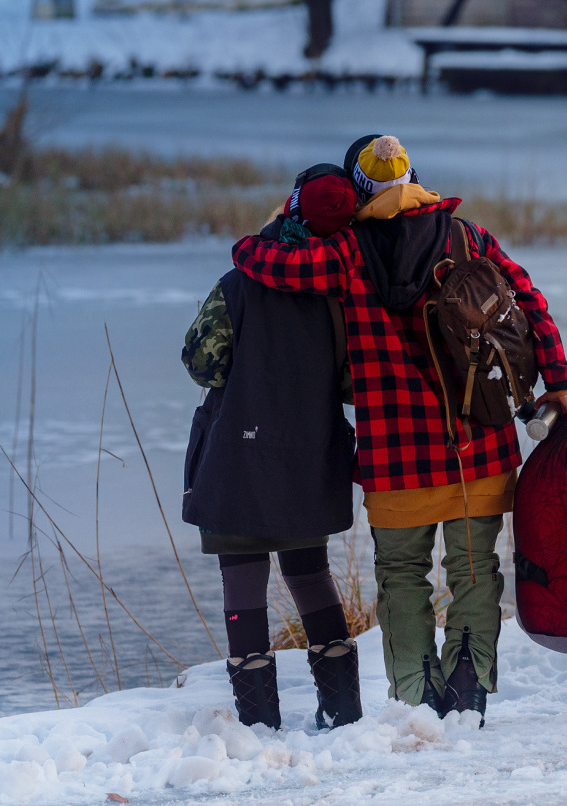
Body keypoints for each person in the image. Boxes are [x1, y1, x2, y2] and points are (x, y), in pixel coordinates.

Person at [229, 134, 567, 722]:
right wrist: (558, 380)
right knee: (473, 570)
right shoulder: (468, 237)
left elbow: (271, 264)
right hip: (480, 442)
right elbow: (529, 299)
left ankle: (415, 697)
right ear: (414, 175)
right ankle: (469, 689)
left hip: (397, 453)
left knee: (402, 575)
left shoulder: (345, 252)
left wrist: (247, 242)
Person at [182, 163, 363, 730]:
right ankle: (344, 712)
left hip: (237, 453)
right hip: (308, 454)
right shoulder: (341, 294)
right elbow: (352, 382)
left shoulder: (236, 284)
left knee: (242, 577)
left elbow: (200, 363)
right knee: (310, 574)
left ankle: (259, 725)